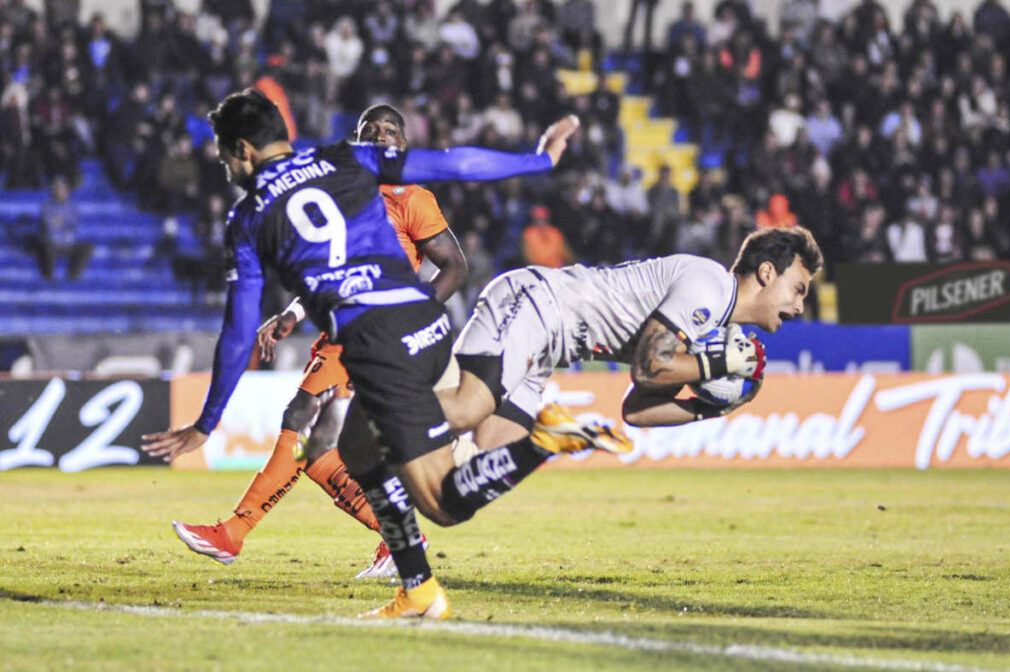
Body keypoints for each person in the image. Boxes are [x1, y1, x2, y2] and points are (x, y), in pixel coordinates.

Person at [142, 89, 589, 621]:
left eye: (222, 156)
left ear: (242, 149)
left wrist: (206, 422)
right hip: (424, 327)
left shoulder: (249, 217)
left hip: (374, 341)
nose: (224, 166)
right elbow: (455, 163)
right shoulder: (343, 159)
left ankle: (538, 444)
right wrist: (537, 159)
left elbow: (238, 334)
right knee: (348, 451)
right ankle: (417, 587)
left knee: (439, 498)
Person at [286, 225, 820, 618]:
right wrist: (715, 365)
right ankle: (352, 399)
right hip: (534, 303)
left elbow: (636, 407)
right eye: (798, 289)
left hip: (547, 350)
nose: (799, 306)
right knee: (468, 408)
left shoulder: (710, 323)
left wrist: (706, 404)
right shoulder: (709, 287)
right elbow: (649, 364)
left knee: (454, 497)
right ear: (767, 272)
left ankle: (537, 444)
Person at [168, 104, 470, 578]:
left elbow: (454, 266)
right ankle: (398, 538)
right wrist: (291, 313)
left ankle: (234, 532)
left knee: (302, 421)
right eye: (370, 129)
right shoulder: (341, 193)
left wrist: (411, 315)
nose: (381, 135)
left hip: (373, 333)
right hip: (340, 331)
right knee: (317, 453)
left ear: (404, 144)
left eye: (391, 129)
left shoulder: (412, 199)